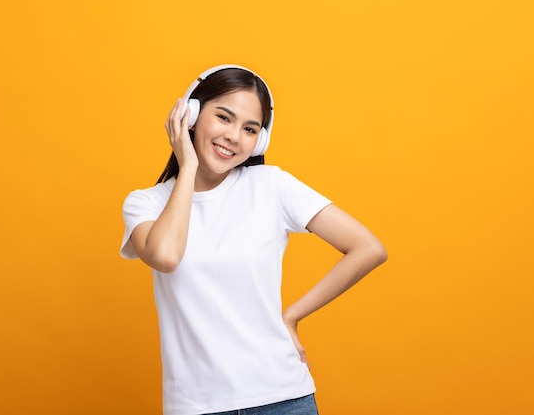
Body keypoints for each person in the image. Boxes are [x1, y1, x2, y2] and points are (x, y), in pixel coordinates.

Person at [120, 64, 387, 415]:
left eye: (250, 128)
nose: (234, 136)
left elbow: (369, 248)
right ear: (191, 115)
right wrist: (187, 167)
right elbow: (166, 256)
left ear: (260, 140)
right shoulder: (146, 203)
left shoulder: (271, 185)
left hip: (284, 398)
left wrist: (291, 316)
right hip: (198, 406)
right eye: (224, 118)